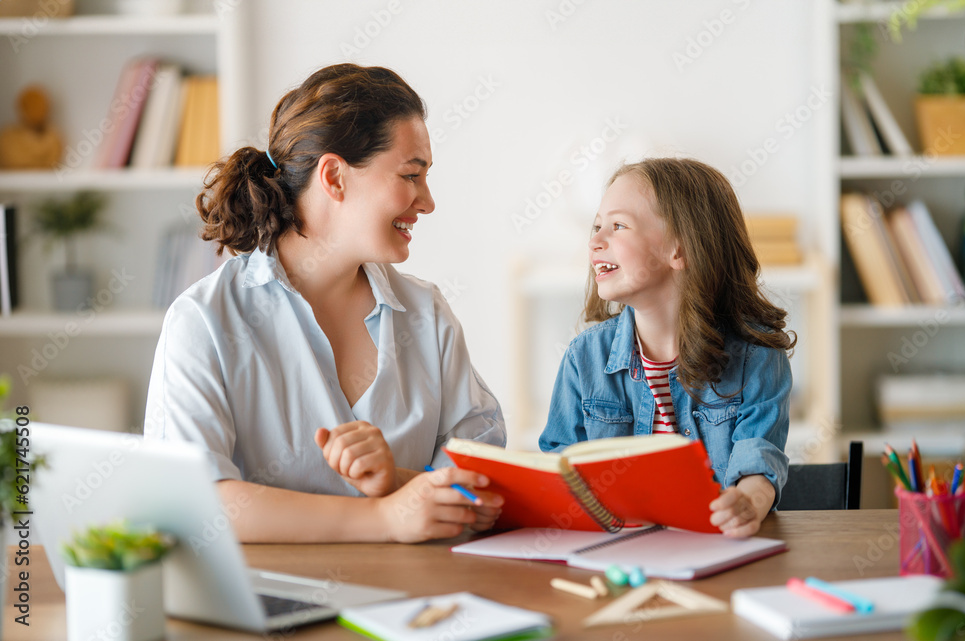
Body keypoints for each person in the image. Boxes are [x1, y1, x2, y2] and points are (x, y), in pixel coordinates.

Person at [144, 64, 506, 543]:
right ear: (334, 177)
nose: (427, 202)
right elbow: (194, 503)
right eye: (410, 175)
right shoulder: (205, 321)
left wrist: (394, 481)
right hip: (268, 610)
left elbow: (485, 487)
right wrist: (385, 518)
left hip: (419, 605)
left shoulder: (427, 315)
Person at [538, 157, 795, 538]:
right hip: (615, 556)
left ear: (680, 248)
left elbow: (757, 461)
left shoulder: (757, 356)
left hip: (714, 552)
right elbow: (561, 469)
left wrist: (749, 501)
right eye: (596, 226)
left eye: (618, 226)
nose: (594, 241)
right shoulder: (583, 359)